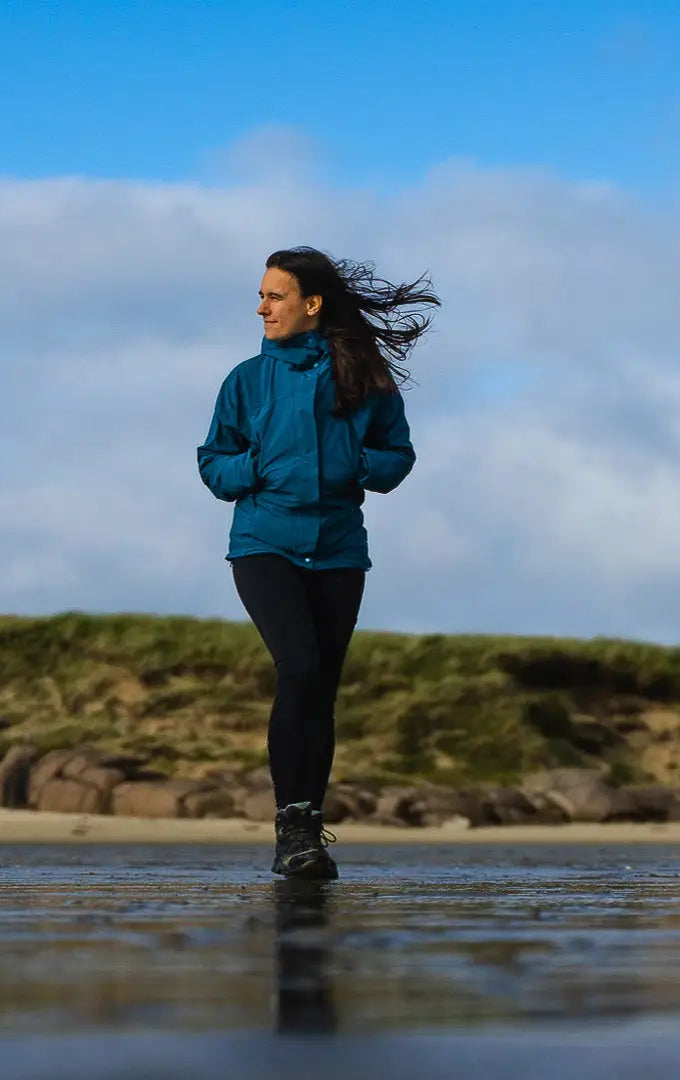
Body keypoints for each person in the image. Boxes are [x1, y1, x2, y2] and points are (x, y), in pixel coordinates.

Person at [197, 246, 440, 879]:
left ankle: (307, 832)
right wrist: (255, 469)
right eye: (261, 296)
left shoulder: (364, 376)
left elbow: (397, 453)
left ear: (312, 303)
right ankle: (290, 826)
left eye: (274, 296)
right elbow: (212, 460)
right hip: (264, 545)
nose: (261, 307)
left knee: (322, 691)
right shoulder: (245, 380)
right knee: (298, 670)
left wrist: (356, 466)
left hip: (337, 551)